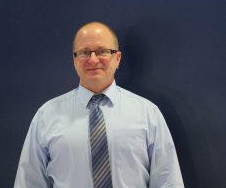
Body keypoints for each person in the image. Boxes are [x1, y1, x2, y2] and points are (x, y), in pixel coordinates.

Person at [14, 22, 184, 188]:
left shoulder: (147, 113)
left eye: (102, 51)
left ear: (117, 58)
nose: (93, 59)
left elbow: (167, 181)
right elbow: (29, 182)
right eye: (84, 53)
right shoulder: (47, 115)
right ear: (74, 60)